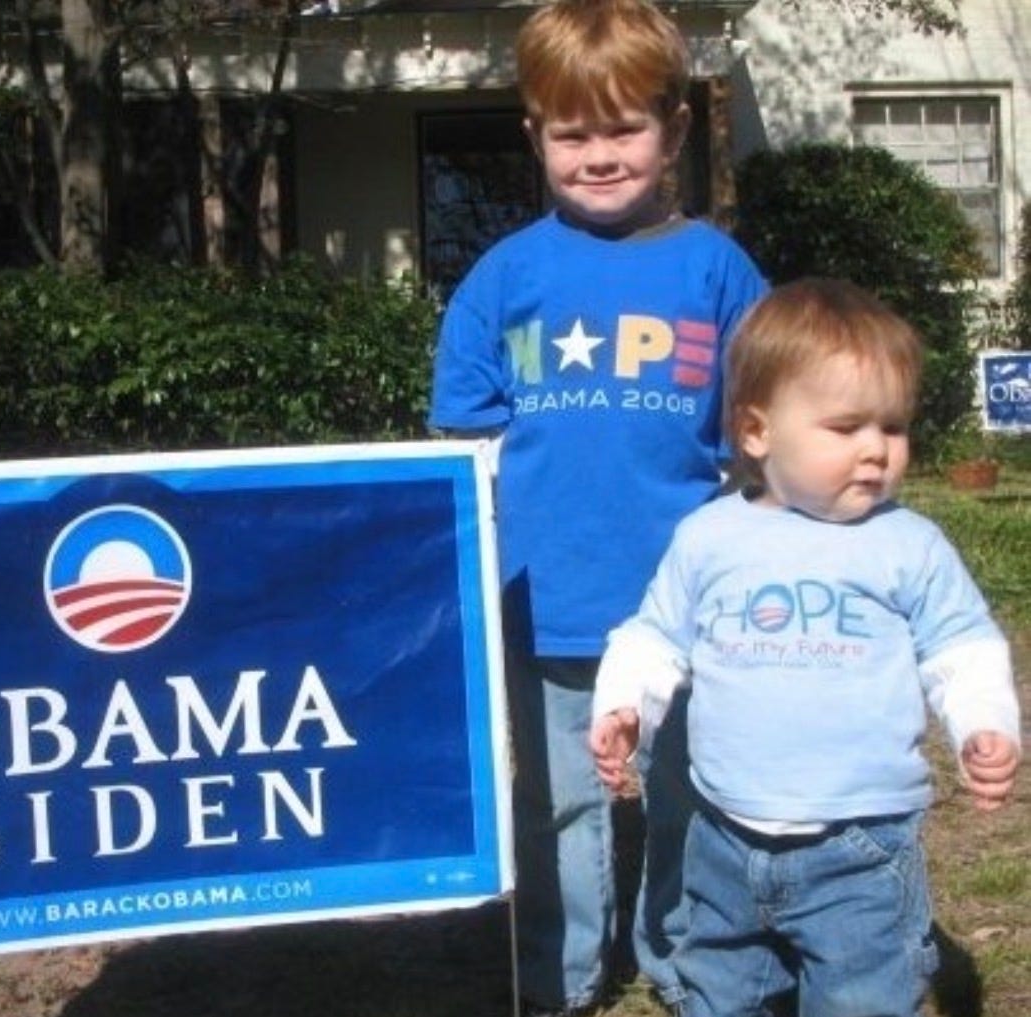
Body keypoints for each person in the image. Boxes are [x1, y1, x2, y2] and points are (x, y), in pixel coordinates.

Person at [427, 0, 768, 1012]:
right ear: (536, 137)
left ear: (673, 127)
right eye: (573, 135)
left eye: (624, 129)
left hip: (685, 607)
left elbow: (762, 426)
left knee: (689, 801)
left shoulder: (717, 268)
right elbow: (466, 438)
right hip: (544, 602)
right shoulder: (503, 277)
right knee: (563, 807)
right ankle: (562, 976)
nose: (601, 155)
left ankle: (683, 959)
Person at [590, 277, 1022, 1017]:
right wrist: (627, 708)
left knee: (861, 997)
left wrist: (985, 723)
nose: (876, 452)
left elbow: (963, 646)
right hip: (722, 835)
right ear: (757, 431)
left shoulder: (906, 545)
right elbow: (655, 636)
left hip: (859, 848)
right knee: (720, 991)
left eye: (892, 427)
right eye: (846, 427)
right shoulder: (711, 536)